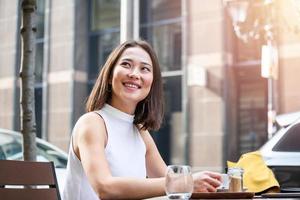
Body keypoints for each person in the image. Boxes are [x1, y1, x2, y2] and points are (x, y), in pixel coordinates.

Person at [62, 40, 221, 200]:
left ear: (152, 83)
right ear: (109, 76)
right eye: (126, 64)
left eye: (144, 69)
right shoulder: (92, 123)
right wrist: (184, 182)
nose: (135, 74)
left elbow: (171, 185)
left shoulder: (139, 131)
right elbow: (105, 188)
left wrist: (209, 184)